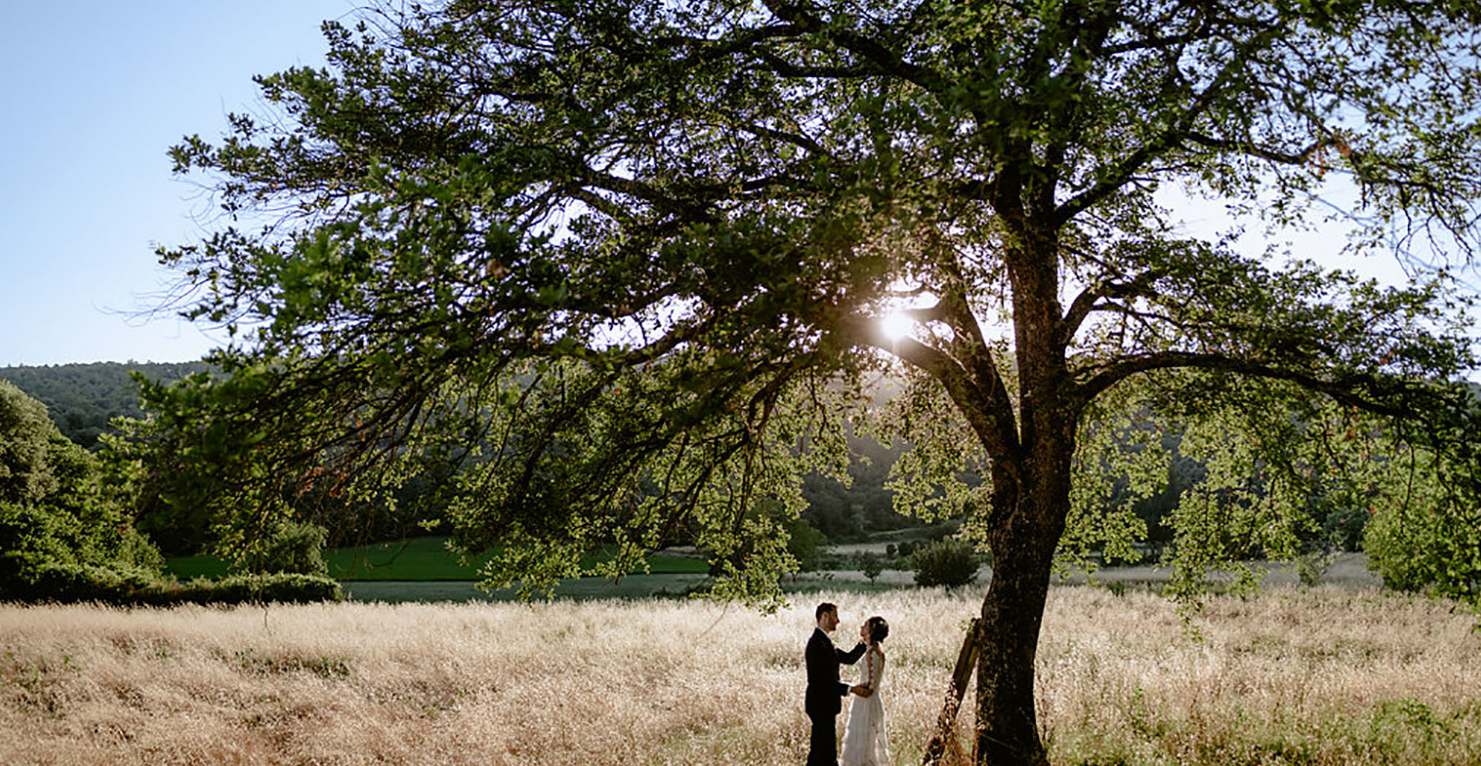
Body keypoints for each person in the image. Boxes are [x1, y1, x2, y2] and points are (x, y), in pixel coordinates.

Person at [805, 602, 867, 766]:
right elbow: (822, 682)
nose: (838, 621)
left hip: (825, 705)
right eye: (835, 616)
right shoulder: (817, 644)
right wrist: (851, 689)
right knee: (824, 753)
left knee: (821, 752)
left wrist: (865, 643)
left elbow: (848, 658)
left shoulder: (825, 641)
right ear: (825, 616)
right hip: (820, 704)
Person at [840, 616, 890, 766]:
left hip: (866, 702)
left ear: (872, 629)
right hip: (870, 701)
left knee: (864, 743)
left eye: (865, 625)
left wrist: (854, 689)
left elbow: (870, 686)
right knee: (867, 742)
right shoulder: (873, 649)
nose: (861, 627)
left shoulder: (872, 652)